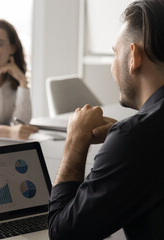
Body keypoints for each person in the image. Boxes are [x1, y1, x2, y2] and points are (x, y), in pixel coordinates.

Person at [48, 1, 164, 239]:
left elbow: (63, 234)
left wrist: (74, 143)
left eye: (115, 53)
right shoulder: (139, 139)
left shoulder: (134, 140)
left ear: (134, 57)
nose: (113, 67)